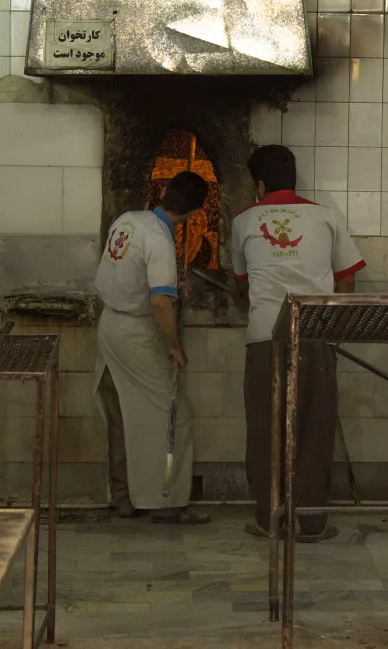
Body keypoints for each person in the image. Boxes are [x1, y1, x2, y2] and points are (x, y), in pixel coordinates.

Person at [231, 145, 366, 543]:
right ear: (294, 178)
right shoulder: (326, 217)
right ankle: (311, 523)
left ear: (259, 184)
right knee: (313, 427)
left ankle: (267, 518)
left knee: (264, 429)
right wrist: (331, 326)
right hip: (313, 334)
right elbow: (348, 278)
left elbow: (242, 283)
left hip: (263, 338)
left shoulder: (243, 221)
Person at [93, 171, 210, 524]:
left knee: (121, 415)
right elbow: (160, 304)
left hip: (109, 324)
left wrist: (170, 283)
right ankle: (168, 502)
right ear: (193, 212)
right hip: (134, 332)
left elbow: (130, 273)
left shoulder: (128, 220)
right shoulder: (160, 238)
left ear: (165, 192)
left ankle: (124, 496)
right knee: (175, 416)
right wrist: (174, 345)